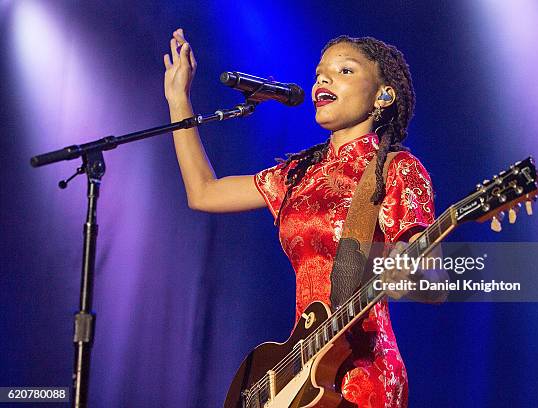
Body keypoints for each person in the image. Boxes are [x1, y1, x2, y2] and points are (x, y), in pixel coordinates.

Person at [164, 28, 443, 408]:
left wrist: (408, 272)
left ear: (384, 95)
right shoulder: (298, 175)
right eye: (319, 73)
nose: (323, 79)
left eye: (344, 71)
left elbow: (432, 282)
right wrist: (178, 100)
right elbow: (204, 192)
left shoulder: (394, 170)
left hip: (363, 376)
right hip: (301, 372)